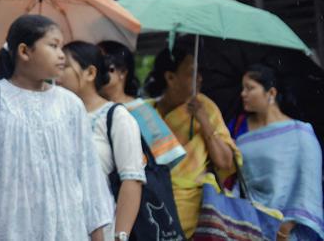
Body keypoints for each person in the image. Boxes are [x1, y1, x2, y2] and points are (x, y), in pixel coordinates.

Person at [0, 14, 113, 241]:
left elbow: (89, 177)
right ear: (24, 51)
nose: (62, 55)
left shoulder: (70, 104)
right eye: (53, 45)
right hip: (11, 230)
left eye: (61, 46)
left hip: (69, 231)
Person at [144, 41, 240, 238]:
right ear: (170, 77)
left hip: (194, 210)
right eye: (192, 73)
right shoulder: (145, 112)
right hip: (152, 206)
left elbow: (225, 161)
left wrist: (204, 121)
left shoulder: (205, 107)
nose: (200, 78)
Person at [60, 41, 145, 241]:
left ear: (90, 73)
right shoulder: (56, 116)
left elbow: (132, 180)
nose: (58, 74)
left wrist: (120, 236)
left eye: (65, 67)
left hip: (103, 231)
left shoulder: (116, 117)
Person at [230, 65, 323, 241]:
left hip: (287, 232)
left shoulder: (300, 133)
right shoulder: (241, 134)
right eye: (242, 88)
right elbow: (239, 183)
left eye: (250, 88)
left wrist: (285, 229)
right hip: (249, 227)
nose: (243, 94)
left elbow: (308, 185)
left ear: (271, 93)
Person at [98, 40, 187, 169]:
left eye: (103, 65)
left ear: (122, 72)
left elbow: (168, 157)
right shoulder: (90, 107)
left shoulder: (140, 110)